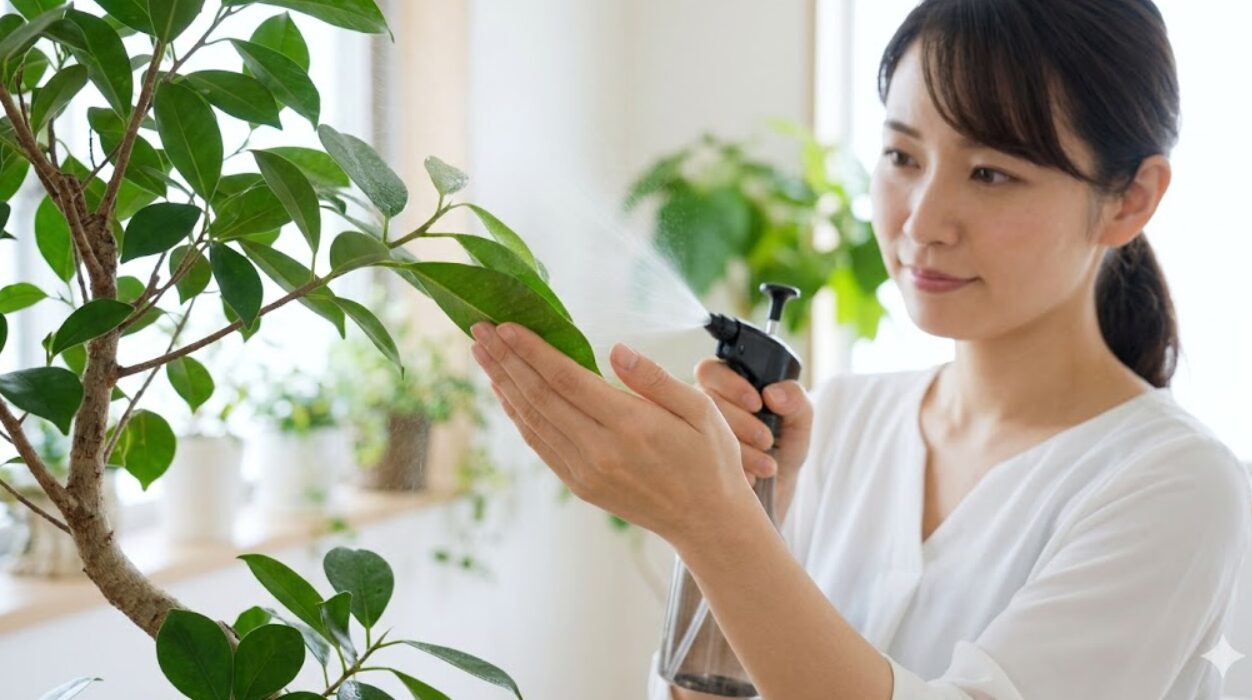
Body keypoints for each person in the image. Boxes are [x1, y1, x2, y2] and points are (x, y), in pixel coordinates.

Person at [468, 0, 1252, 696]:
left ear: (1132, 199)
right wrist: (740, 513)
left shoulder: (1177, 485)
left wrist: (713, 523)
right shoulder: (840, 420)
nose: (921, 222)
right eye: (903, 157)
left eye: (990, 172)